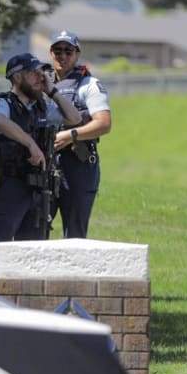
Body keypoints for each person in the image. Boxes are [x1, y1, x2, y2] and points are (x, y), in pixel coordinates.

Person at [0, 53, 81, 291]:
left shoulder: (43, 107)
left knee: (33, 253)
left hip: (38, 190)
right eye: (33, 72)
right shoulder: (2, 103)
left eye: (42, 72)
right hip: (10, 188)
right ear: (17, 77)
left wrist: (53, 91)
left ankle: (23, 307)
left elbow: (75, 118)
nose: (40, 77)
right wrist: (30, 143)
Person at [48, 30, 112, 239]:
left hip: (78, 165)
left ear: (77, 55)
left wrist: (70, 135)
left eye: (68, 51)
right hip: (45, 165)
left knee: (74, 236)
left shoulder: (89, 85)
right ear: (51, 54)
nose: (63, 56)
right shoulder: (43, 86)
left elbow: (103, 124)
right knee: (34, 230)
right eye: (58, 51)